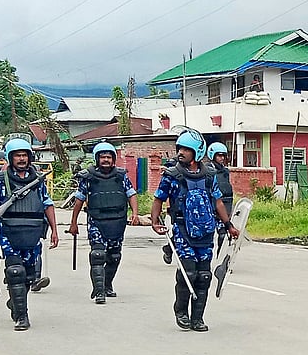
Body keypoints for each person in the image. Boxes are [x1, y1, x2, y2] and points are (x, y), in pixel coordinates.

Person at [150, 128, 238, 331]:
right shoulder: (172, 175)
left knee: (204, 276)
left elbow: (218, 202)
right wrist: (155, 221)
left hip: (206, 232)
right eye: (179, 149)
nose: (181, 153)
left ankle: (197, 318)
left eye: (186, 150)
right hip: (182, 230)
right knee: (188, 273)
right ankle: (181, 311)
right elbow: (158, 199)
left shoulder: (209, 176)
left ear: (197, 152)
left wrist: (229, 225)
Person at [0, 139, 58, 330]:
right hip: (9, 232)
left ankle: (15, 302)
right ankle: (22, 316)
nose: (22, 159)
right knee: (15, 272)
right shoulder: (0, 180)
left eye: (24, 155)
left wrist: (54, 230)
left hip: (33, 232)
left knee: (28, 276)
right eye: (17, 155)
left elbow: (47, 204)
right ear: (10, 158)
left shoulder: (38, 180)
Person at [69, 142, 140, 304]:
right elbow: (79, 200)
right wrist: (73, 223)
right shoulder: (88, 177)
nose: (106, 160)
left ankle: (107, 285)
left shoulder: (121, 176)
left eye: (108, 157)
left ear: (113, 159)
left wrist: (135, 213)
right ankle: (99, 291)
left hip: (117, 221)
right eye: (102, 157)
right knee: (98, 255)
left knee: (114, 256)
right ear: (97, 159)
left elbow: (131, 194)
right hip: (96, 221)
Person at [206, 142, 234, 249]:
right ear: (212, 155)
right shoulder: (207, 170)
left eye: (223, 156)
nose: (222, 158)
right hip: (211, 207)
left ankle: (220, 258)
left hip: (224, 207)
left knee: (223, 234)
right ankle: (169, 248)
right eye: (219, 155)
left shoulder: (225, 171)